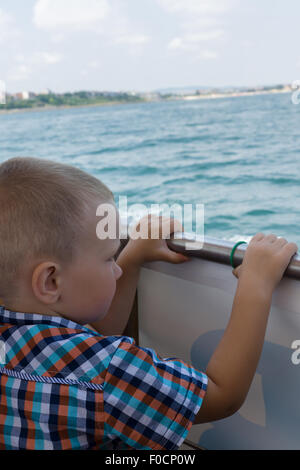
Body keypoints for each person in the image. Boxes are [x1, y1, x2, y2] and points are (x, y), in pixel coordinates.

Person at [0, 157, 297, 450]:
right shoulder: (107, 372)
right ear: (50, 281)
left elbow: (94, 336)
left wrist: (132, 257)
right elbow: (222, 396)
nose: (116, 269)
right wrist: (256, 284)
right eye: (109, 258)